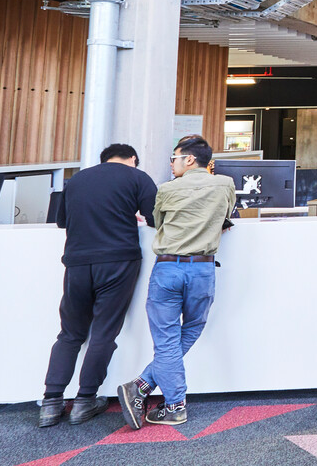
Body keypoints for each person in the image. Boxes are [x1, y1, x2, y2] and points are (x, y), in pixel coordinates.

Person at [117, 136, 237, 430]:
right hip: (203, 270)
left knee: (167, 338)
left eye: (174, 158)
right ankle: (143, 386)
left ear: (190, 160)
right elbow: (225, 216)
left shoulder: (167, 189)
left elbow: (156, 221)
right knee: (193, 327)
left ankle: (169, 403)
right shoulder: (225, 184)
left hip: (169, 269)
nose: (171, 163)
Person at [38, 143, 157, 428]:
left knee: (69, 334)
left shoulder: (77, 179)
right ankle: (84, 401)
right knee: (103, 332)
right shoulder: (137, 177)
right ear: (132, 159)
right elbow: (156, 217)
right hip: (117, 262)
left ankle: (51, 403)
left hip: (77, 264)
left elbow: (61, 221)